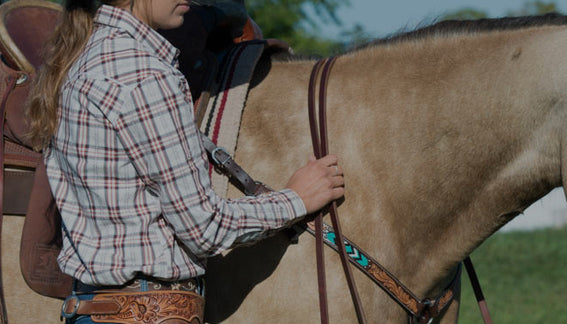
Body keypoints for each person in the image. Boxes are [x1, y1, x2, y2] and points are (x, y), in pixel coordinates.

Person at [25, 0, 345, 322]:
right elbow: (203, 227)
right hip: (149, 313)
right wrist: (296, 200)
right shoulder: (145, 76)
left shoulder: (77, 61)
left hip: (91, 307)